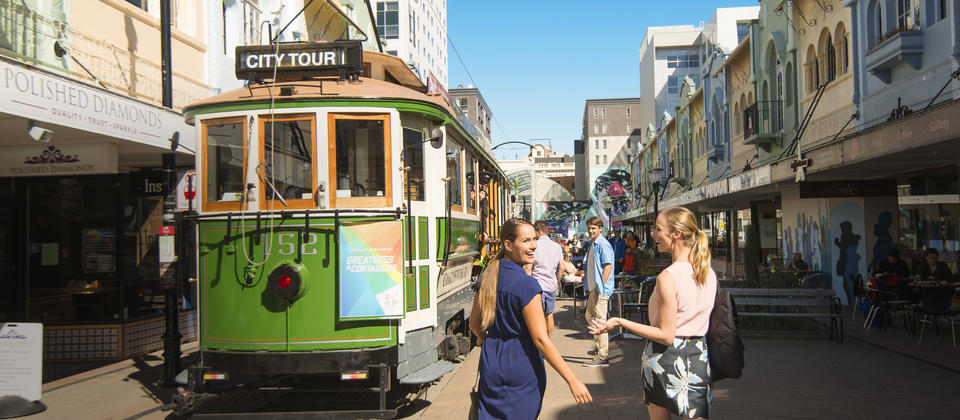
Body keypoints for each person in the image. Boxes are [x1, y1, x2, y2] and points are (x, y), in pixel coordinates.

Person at [589, 207, 717, 420]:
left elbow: (666, 335)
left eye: (658, 229)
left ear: (675, 233)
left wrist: (620, 321)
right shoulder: (707, 272)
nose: (653, 234)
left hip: (664, 357)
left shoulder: (668, 277)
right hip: (699, 356)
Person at [469, 219, 592, 419]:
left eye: (534, 239)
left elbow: (475, 323)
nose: (534, 245)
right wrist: (572, 380)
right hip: (521, 365)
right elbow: (541, 339)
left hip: (491, 363)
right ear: (508, 245)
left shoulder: (487, 276)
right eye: (526, 241)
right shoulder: (527, 285)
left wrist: (483, 339)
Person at [582, 216, 615, 367]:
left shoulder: (603, 244)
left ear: (600, 229)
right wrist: (589, 288)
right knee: (590, 316)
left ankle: (602, 355)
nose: (590, 231)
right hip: (594, 289)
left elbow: (607, 266)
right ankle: (600, 349)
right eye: (589, 228)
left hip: (600, 290)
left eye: (593, 228)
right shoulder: (592, 244)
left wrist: (600, 288)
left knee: (599, 319)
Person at [532, 220, 565, 337]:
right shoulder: (557, 246)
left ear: (538, 231)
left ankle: (539, 344)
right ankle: (548, 342)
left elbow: (528, 266)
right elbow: (562, 267)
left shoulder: (534, 245)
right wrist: (556, 281)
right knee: (549, 315)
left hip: (536, 286)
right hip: (551, 286)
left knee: (537, 316)